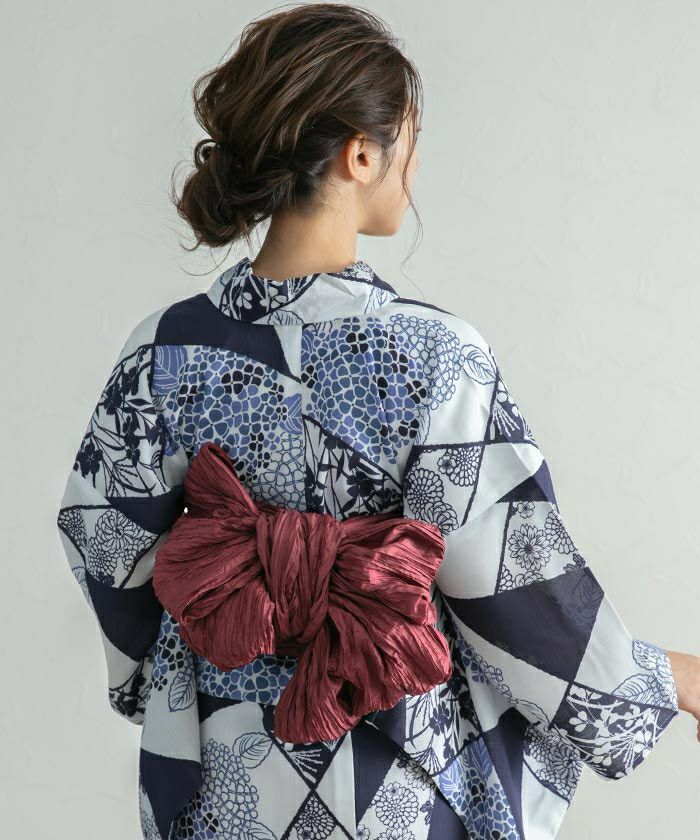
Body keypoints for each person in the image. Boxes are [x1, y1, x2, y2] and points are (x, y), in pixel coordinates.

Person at [55, 4, 699, 839]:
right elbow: (514, 584)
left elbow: (102, 539)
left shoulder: (163, 350)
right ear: (361, 154)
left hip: (220, 782)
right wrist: (659, 679)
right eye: (408, 141)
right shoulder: (436, 356)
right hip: (396, 784)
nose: (414, 165)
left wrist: (164, 671)